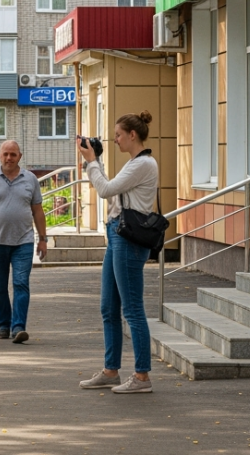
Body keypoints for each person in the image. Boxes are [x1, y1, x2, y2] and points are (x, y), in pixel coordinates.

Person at [76, 111, 160, 394]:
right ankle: (111, 371)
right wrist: (96, 161)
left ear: (132, 135)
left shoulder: (144, 164)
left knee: (133, 310)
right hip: (116, 235)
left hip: (127, 240)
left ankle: (142, 377)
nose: (115, 139)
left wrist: (92, 163)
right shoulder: (134, 163)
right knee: (108, 308)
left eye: (119, 135)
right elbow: (114, 192)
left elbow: (104, 190)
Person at [0, 140, 47, 344]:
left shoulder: (30, 179)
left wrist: (43, 239)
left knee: (21, 283)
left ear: (20, 157)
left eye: (13, 154)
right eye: (5, 154)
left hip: (24, 241)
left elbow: (38, 211)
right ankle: (4, 324)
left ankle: (18, 326)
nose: (9, 158)